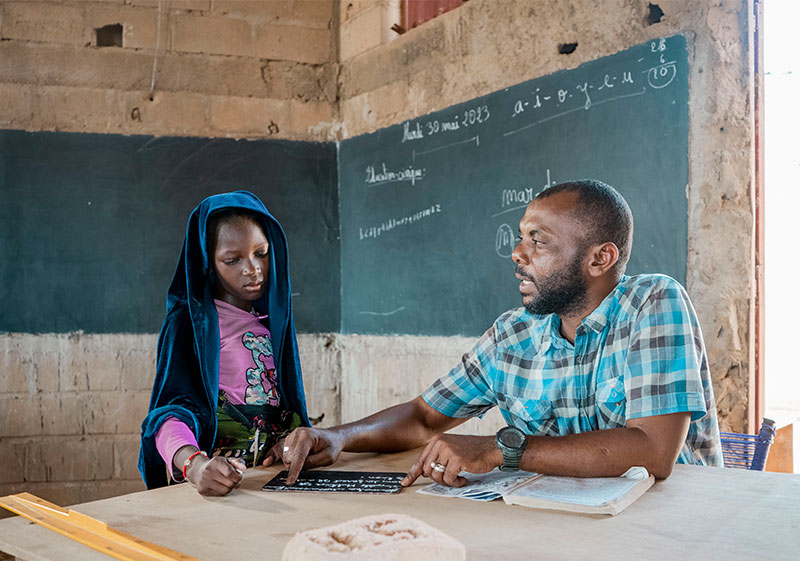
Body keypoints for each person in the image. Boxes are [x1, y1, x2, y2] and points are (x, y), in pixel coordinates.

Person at [270, 180, 723, 487]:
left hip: (668, 534)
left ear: (600, 259)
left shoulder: (654, 303)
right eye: (521, 237)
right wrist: (339, 437)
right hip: (563, 530)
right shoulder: (513, 334)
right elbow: (425, 418)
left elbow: (653, 451)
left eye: (538, 241)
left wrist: (498, 449)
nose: (517, 253)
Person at [139, 191, 310, 495]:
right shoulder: (191, 324)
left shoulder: (275, 323)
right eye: (232, 259)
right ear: (207, 261)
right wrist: (193, 464)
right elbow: (169, 414)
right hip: (216, 488)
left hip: (271, 485)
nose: (252, 268)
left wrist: (288, 441)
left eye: (262, 253)